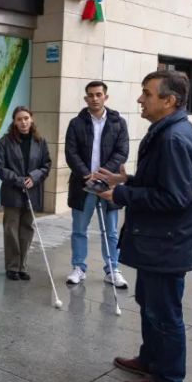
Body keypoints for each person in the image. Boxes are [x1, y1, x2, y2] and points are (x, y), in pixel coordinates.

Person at [93, 70, 192, 382]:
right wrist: (124, 180)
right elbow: (162, 181)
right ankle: (151, 361)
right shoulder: (167, 131)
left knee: (165, 312)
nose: (140, 99)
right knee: (150, 305)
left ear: (169, 101)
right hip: (159, 242)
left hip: (168, 245)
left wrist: (123, 195)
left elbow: (174, 197)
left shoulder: (174, 138)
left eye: (147, 93)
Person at [64, 80, 130, 288]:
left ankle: (112, 269)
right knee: (79, 229)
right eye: (90, 95)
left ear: (105, 97)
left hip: (108, 184)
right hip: (83, 184)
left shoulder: (118, 123)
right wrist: (86, 174)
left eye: (98, 94)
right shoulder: (76, 123)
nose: (94, 98)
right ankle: (79, 268)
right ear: (86, 98)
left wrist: (103, 175)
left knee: (110, 230)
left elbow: (122, 152)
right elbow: (71, 152)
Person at [0, 105, 52, 281]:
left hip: (32, 191)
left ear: (31, 119)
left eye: (26, 118)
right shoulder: (5, 142)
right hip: (12, 191)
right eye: (19, 119)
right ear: (14, 122)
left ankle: (22, 266)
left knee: (26, 229)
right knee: (11, 229)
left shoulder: (40, 141)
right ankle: (12, 266)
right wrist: (18, 180)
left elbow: (46, 165)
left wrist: (34, 177)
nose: (23, 122)